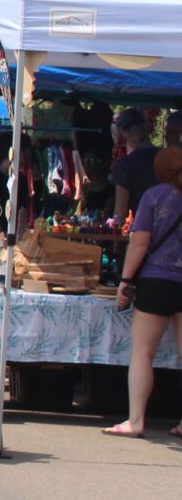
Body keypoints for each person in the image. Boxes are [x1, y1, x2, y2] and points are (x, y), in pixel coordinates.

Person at [103, 147, 182, 438]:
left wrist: (125, 279)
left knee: (142, 353)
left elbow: (138, 244)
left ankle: (136, 420)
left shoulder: (154, 196)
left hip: (157, 281)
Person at [111, 108, 160, 222]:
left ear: (123, 131)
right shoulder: (167, 157)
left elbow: (120, 214)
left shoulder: (124, 165)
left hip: (139, 230)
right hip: (168, 229)